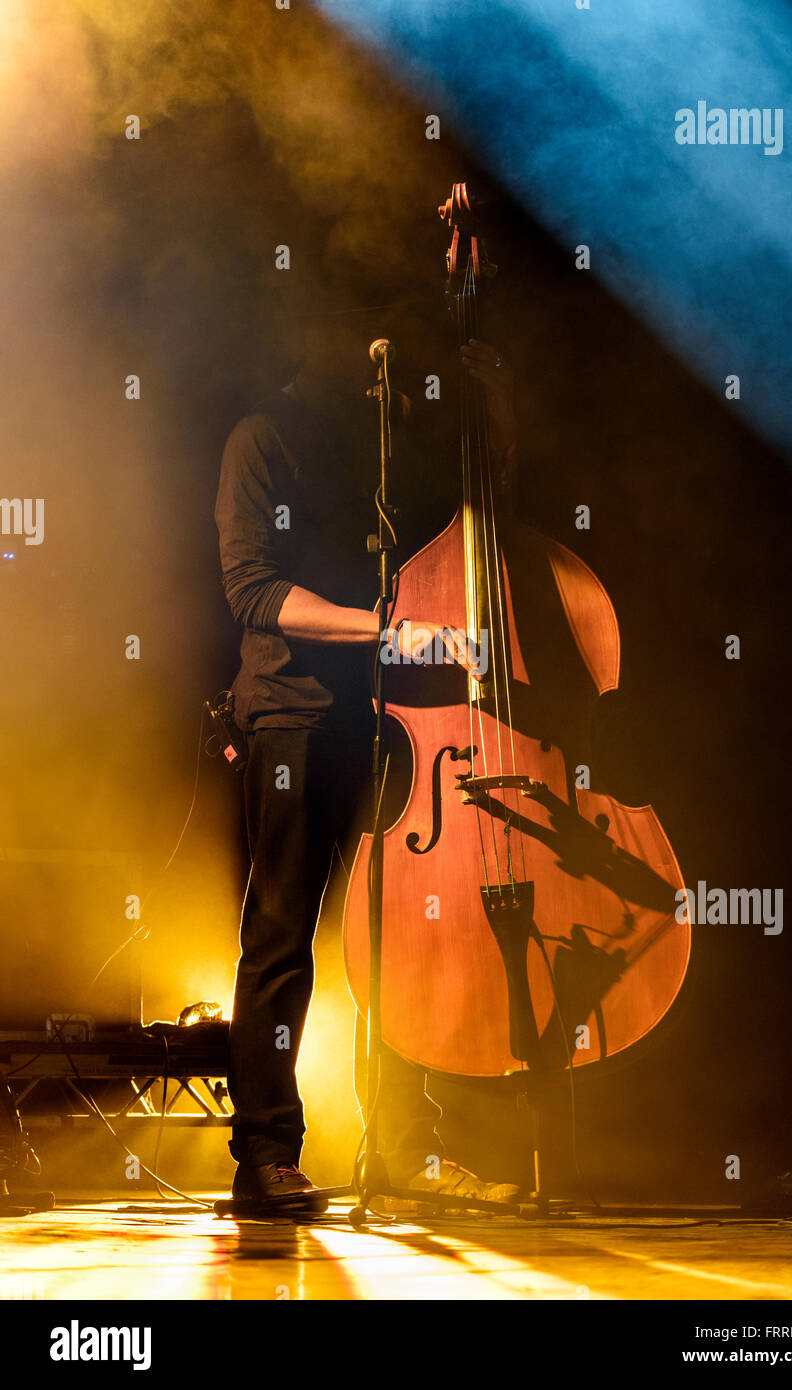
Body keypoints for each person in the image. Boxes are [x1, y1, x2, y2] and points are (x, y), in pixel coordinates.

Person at [215, 302, 520, 1210]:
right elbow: (252, 590)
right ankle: (264, 1152)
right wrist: (388, 630)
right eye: (345, 329)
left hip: (389, 722)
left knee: (396, 939)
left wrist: (496, 418)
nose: (365, 356)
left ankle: (403, 1151)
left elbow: (473, 524)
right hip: (292, 718)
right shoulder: (261, 439)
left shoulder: (382, 456)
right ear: (306, 334)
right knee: (282, 939)